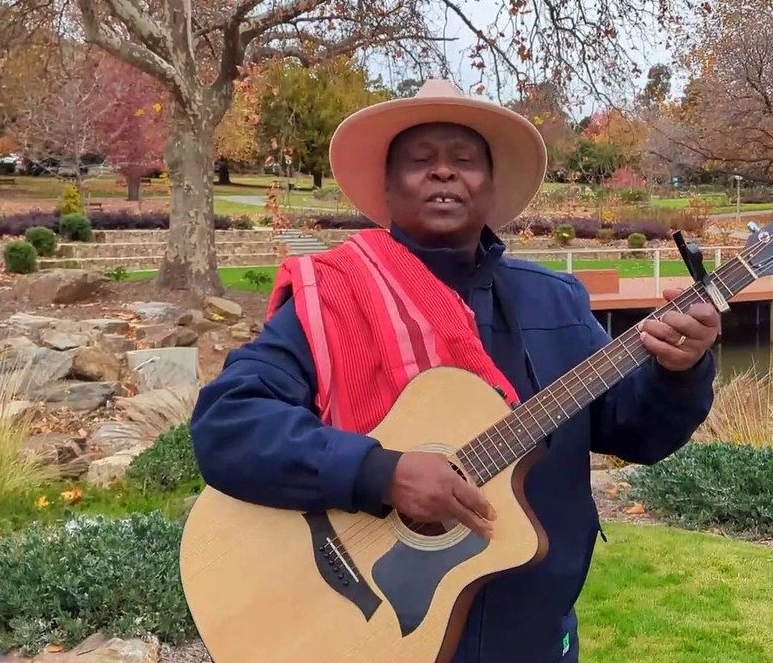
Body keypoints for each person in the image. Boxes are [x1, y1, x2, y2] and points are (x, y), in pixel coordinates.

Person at [189, 80, 720, 663]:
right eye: (421, 161)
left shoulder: (557, 303)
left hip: (534, 637)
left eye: (464, 161)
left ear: (490, 188)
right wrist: (379, 473)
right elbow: (228, 424)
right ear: (388, 189)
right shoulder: (335, 296)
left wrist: (680, 371)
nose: (444, 173)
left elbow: (636, 432)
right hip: (381, 633)